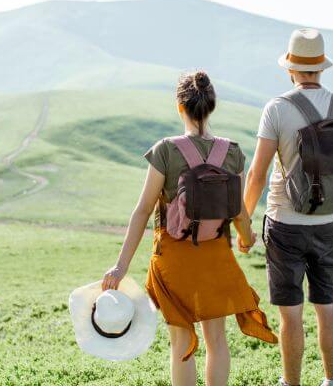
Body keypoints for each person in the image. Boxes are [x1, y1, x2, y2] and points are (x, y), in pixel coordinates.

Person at [102, 70, 277, 386]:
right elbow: (238, 211)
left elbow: (142, 211)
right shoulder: (233, 153)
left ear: (179, 106)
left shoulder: (166, 151)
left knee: (182, 345)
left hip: (174, 261)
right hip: (215, 258)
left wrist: (120, 266)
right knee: (217, 342)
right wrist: (247, 238)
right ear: (211, 107)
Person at [244, 29, 333, 386]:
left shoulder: (277, 108)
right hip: (329, 224)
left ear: (290, 69)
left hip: (285, 224)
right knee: (328, 309)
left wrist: (242, 223)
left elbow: (257, 174)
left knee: (291, 316)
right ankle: (331, 381)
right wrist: (328, 180)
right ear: (321, 68)